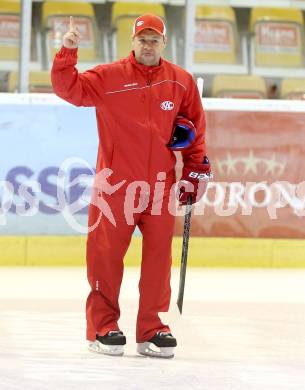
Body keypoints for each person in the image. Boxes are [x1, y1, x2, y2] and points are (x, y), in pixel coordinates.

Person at [51, 13, 211, 359]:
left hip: (160, 187)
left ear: (164, 43)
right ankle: (103, 326)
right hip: (116, 187)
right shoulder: (108, 77)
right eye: (142, 39)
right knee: (105, 258)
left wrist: (194, 172)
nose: (148, 45)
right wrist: (67, 53)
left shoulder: (181, 82)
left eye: (155, 40)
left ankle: (152, 329)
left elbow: (195, 131)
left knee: (158, 261)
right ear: (132, 42)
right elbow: (69, 89)